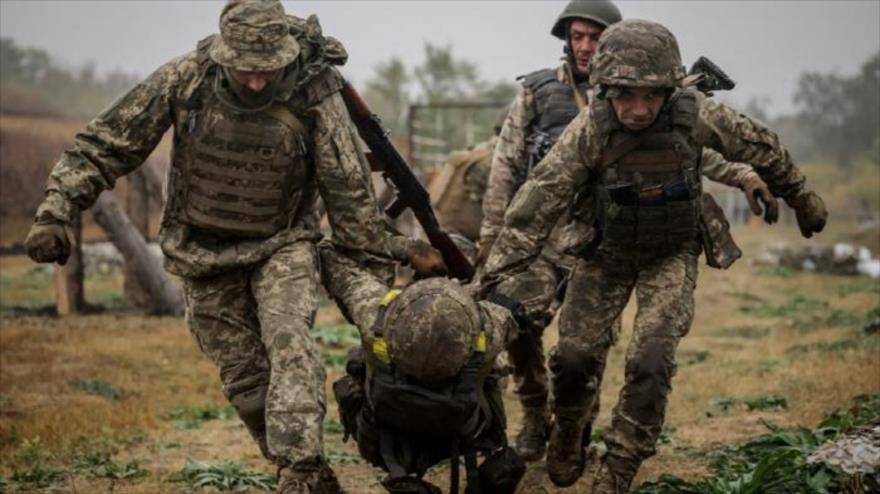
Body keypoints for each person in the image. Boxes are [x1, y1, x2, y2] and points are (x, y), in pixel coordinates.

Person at [22, 1, 442, 492]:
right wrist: (56, 211)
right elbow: (106, 145)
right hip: (201, 252)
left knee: (291, 346)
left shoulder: (313, 91)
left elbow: (348, 197)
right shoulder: (187, 78)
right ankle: (309, 474)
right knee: (245, 381)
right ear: (225, 55)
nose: (259, 82)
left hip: (282, 244)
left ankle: (300, 471)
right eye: (247, 70)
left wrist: (399, 249)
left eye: (270, 70)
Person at [480, 18, 827, 492]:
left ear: (669, 89)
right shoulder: (591, 128)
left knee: (651, 357)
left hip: (671, 251)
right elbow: (537, 201)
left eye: (651, 96)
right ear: (605, 89)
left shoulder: (693, 113)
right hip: (605, 251)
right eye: (625, 95)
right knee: (574, 357)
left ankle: (620, 463)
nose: (639, 109)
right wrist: (490, 279)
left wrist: (801, 197)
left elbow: (761, 146)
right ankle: (568, 431)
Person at [320, 243, 525, 494]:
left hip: (386, 441)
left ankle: (402, 475)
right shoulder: (490, 327)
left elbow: (341, 272)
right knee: (496, 367)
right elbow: (512, 313)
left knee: (359, 362)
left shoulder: (374, 315)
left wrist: (401, 248)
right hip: (462, 434)